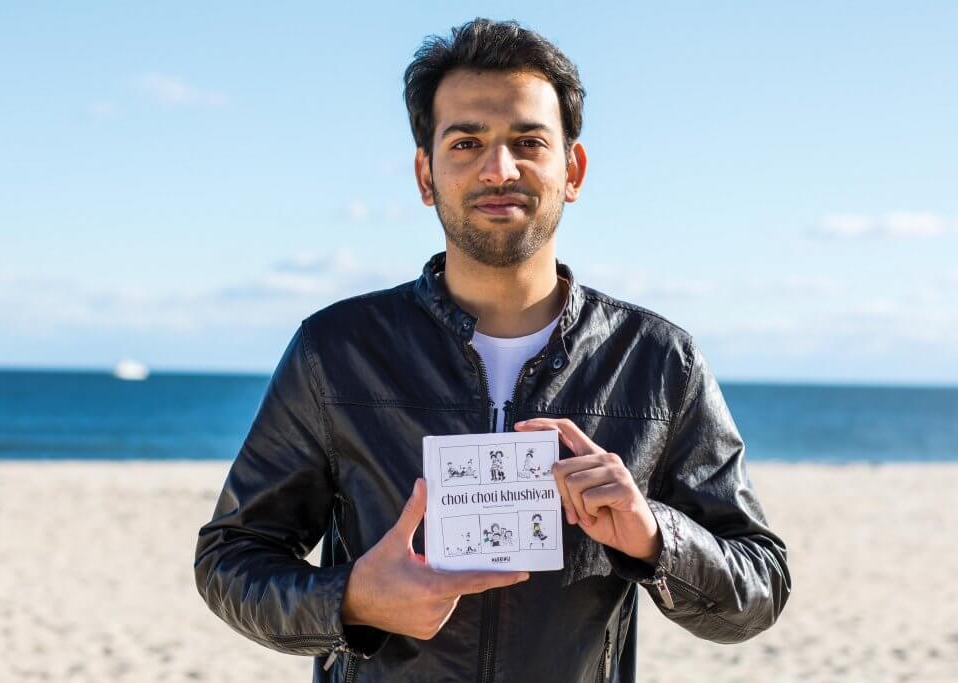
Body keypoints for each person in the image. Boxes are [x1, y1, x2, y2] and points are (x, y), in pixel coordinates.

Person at [193, 17, 791, 683]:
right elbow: (231, 557)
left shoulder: (657, 362)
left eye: (528, 141)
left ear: (573, 169)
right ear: (426, 174)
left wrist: (653, 536)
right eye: (466, 142)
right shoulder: (336, 352)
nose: (498, 169)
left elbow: (759, 583)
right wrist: (354, 597)